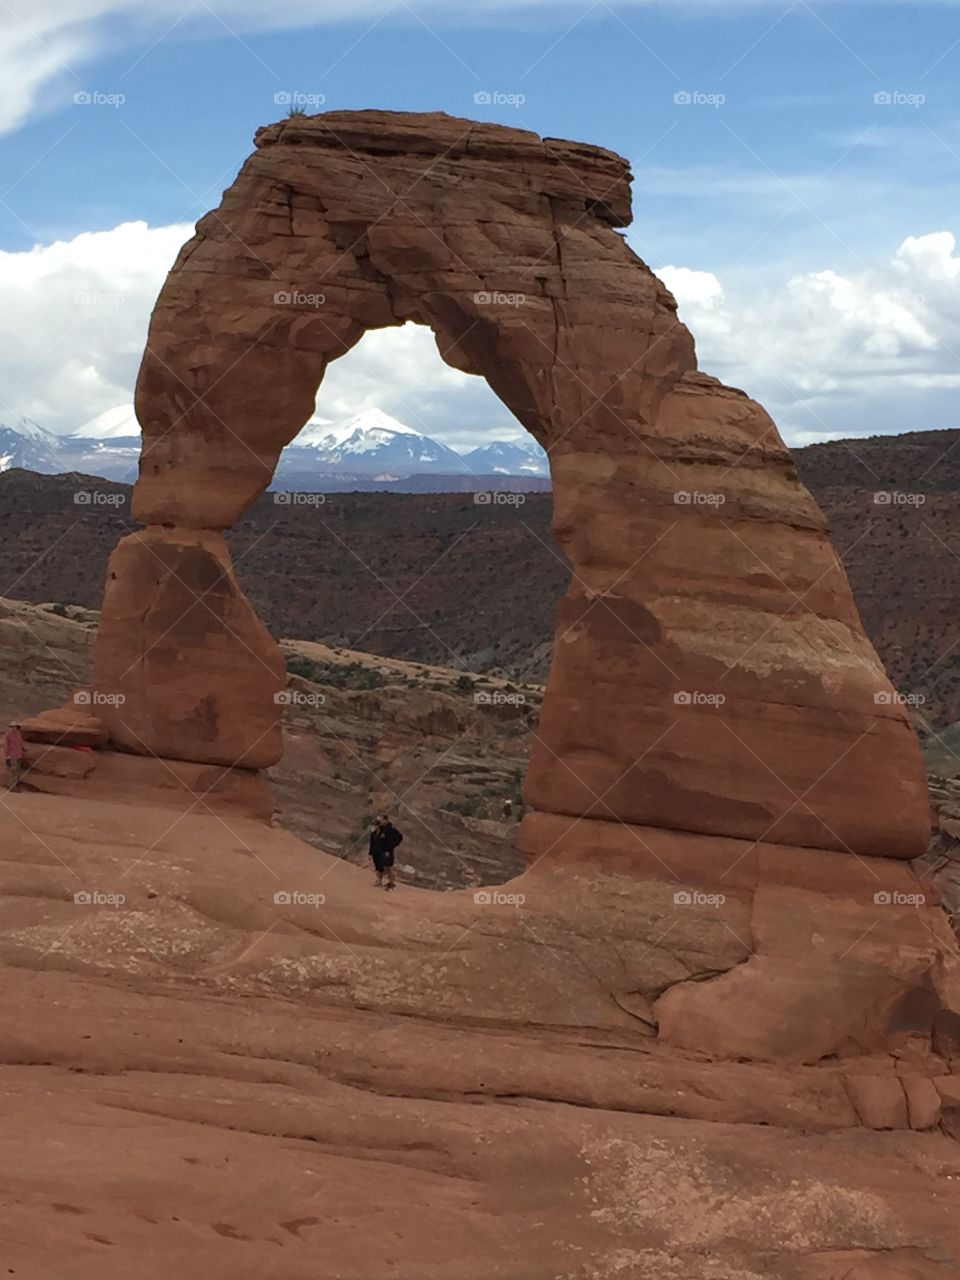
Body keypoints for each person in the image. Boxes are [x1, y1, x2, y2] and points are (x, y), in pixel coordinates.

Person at [369, 814, 403, 890]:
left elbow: (399, 837)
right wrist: (371, 852)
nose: (381, 822)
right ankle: (380, 881)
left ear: (386, 820)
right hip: (379, 851)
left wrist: (393, 846)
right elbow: (374, 842)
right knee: (380, 867)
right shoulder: (380, 830)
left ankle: (392, 883)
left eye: (382, 820)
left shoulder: (391, 829)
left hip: (387, 851)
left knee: (389, 867)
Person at [4, 721, 23, 792]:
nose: (13, 728)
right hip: (12, 756)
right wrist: (7, 755)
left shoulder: (18, 734)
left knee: (17, 771)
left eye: (14, 726)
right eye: (12, 726)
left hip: (19, 755)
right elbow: (6, 746)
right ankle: (12, 787)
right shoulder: (8, 735)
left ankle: (11, 785)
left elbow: (20, 744)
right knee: (13, 771)